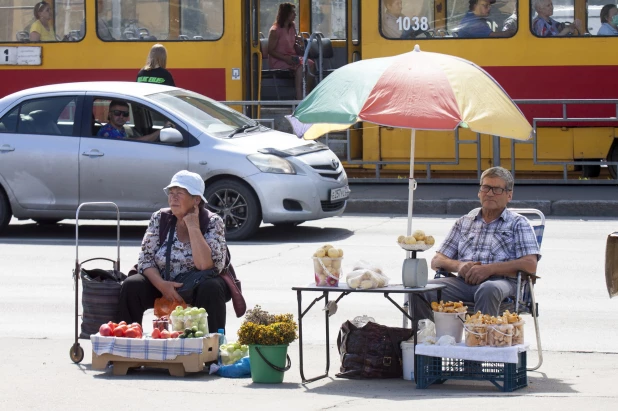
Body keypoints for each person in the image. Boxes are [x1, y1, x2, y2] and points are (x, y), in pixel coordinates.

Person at [415, 167, 541, 317]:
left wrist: (489, 269)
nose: (489, 193)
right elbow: (437, 261)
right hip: (463, 283)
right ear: (479, 192)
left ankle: (483, 338)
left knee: (488, 289)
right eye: (486, 187)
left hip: (501, 283)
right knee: (419, 289)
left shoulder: (518, 223)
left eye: (497, 189)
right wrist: (459, 265)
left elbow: (530, 264)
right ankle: (424, 336)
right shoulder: (464, 222)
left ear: (509, 195)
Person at [118, 170, 229, 332]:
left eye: (180, 193)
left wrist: (193, 227)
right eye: (171, 193)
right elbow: (146, 259)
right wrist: (163, 285)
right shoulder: (160, 218)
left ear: (196, 199)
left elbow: (206, 266)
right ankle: (125, 341)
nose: (173, 197)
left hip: (197, 286)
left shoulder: (213, 222)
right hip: (162, 282)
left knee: (212, 287)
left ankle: (212, 349)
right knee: (132, 285)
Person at [267, 2, 315, 100]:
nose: (295, 15)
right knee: (300, 65)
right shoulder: (275, 30)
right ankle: (299, 96)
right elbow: (270, 50)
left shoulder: (292, 26)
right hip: (279, 60)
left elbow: (292, 41)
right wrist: (285, 58)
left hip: (292, 57)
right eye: (293, 12)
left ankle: (307, 92)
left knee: (311, 64)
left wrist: (300, 47)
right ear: (286, 14)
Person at [96, 100, 161, 141]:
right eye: (117, 113)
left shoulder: (121, 129)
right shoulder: (107, 132)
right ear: (110, 114)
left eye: (125, 114)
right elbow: (136, 142)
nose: (121, 116)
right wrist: (160, 132)